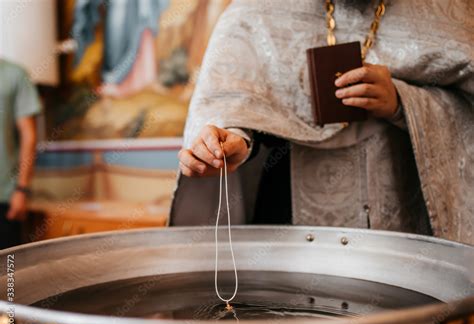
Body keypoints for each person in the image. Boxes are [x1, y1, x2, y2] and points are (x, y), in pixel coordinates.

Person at [170, 0, 473, 245]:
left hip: (402, 215)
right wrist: (232, 138)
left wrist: (400, 102)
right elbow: (228, 102)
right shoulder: (255, 10)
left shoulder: (449, 9)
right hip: (282, 214)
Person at [0, 59, 41, 249]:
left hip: (5, 196)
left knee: (10, 273)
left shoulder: (14, 74)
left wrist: (22, 189)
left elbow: (29, 135)